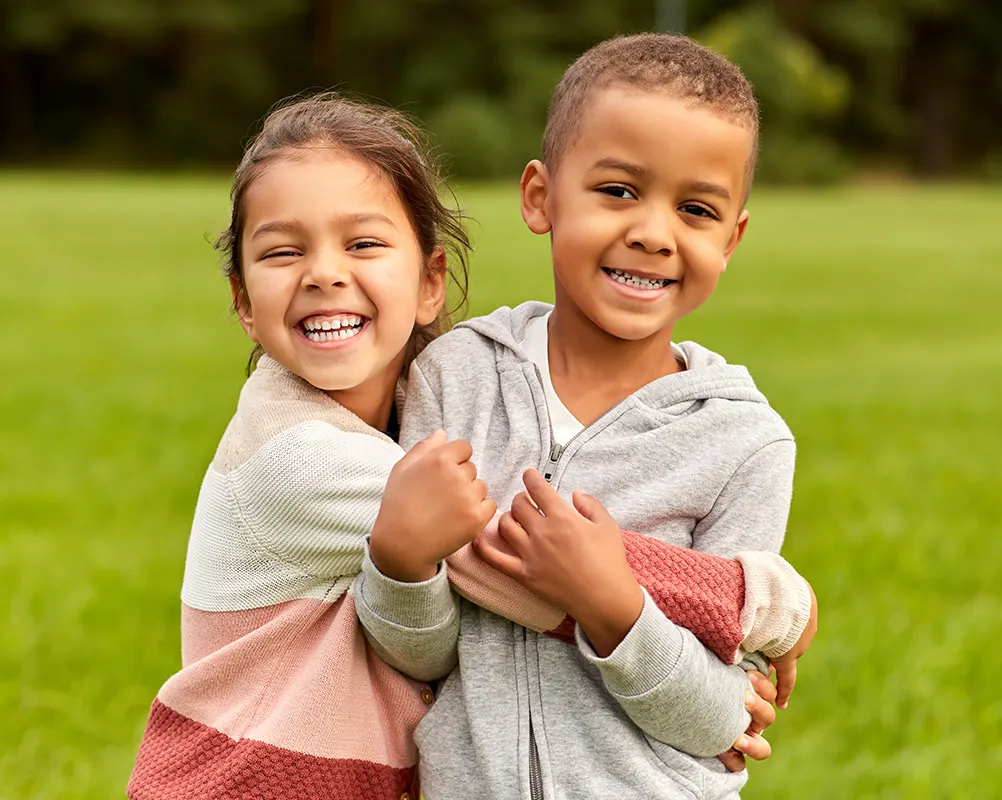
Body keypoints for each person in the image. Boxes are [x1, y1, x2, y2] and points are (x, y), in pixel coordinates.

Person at [127, 92, 814, 800]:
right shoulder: (298, 455)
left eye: (362, 243)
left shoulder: (432, 396)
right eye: (282, 251)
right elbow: (526, 552)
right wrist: (759, 601)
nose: (324, 273)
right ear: (243, 302)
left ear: (429, 283)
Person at [359, 33, 816, 799]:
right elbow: (423, 660)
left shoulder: (742, 440)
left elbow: (723, 723)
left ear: (730, 238)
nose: (652, 231)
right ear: (541, 196)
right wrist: (400, 565)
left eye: (696, 208)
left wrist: (612, 604)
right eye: (618, 191)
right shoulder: (452, 376)